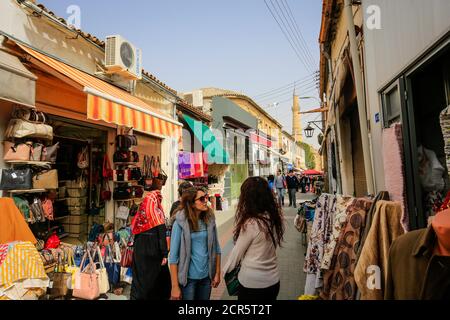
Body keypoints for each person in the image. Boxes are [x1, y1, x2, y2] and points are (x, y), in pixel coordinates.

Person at [223, 177, 285, 300]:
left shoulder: (252, 223)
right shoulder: (274, 218)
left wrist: (223, 273)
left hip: (252, 284)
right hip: (273, 281)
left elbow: (236, 254)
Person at [169, 186, 222, 300]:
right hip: (188, 280)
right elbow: (173, 258)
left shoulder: (209, 219)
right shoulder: (180, 223)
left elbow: (217, 248)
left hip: (206, 278)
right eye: (202, 199)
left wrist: (217, 273)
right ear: (191, 203)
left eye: (206, 197)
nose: (206, 201)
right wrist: (174, 286)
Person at [130, 177, 171, 300]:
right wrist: (164, 254)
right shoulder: (157, 213)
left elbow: (134, 230)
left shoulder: (142, 213)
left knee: (139, 282)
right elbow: (161, 233)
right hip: (154, 252)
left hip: (139, 251)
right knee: (155, 283)